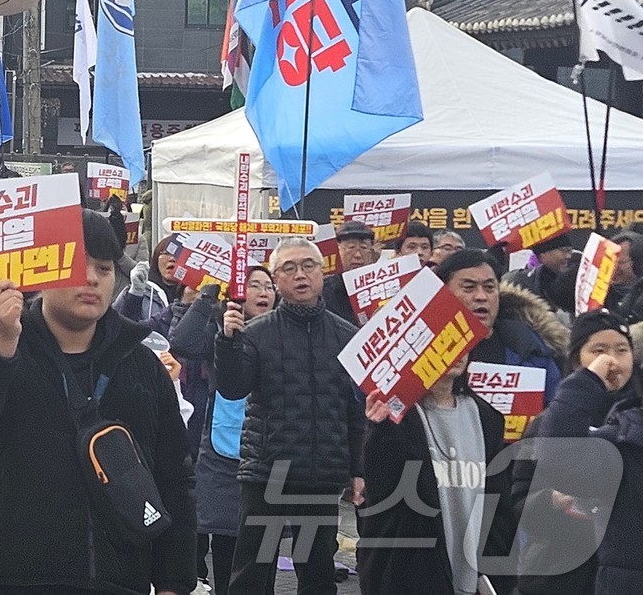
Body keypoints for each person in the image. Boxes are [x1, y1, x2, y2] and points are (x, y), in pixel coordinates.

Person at [0, 210, 197, 595]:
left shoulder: (142, 365)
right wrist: (1, 343)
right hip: (14, 577)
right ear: (41, 272)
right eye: (76, 265)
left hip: (120, 577)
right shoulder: (1, 347)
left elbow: (174, 477)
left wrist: (173, 581)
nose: (92, 279)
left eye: (104, 268)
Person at [214, 237, 364, 595]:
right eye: (289, 268)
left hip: (322, 471)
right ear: (276, 279)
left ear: (322, 273)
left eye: (308, 266)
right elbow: (232, 388)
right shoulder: (255, 333)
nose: (300, 275)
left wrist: (358, 469)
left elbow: (355, 411)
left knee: (318, 574)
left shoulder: (346, 335)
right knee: (252, 572)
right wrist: (228, 342)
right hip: (267, 470)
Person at [358, 350, 511, 595]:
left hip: (476, 575)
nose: (457, 352)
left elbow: (499, 502)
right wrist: (379, 430)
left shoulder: (487, 417)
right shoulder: (397, 416)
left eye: (463, 344)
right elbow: (382, 492)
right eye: (444, 343)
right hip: (414, 574)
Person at [514, 309, 637, 595]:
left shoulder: (635, 422)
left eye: (622, 350)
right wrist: (552, 501)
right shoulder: (549, 424)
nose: (611, 360)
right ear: (576, 359)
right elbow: (520, 503)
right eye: (599, 350)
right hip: (559, 575)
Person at [172, 267, 276, 595]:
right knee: (227, 549)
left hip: (271, 454)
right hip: (223, 451)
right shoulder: (221, 329)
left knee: (263, 556)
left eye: (269, 286)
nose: (263, 292)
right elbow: (182, 342)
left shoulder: (282, 331)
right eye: (254, 285)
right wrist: (209, 293)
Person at [436, 249, 566, 404]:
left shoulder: (529, 347)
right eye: (469, 288)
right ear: (444, 292)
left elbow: (555, 407)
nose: (481, 297)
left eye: (489, 288)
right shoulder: (423, 350)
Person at [322, 219, 377, 324]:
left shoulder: (380, 285)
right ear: (338, 250)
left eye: (364, 248)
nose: (358, 255)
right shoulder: (324, 290)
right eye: (351, 247)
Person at [504, 233, 576, 314]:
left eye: (570, 251)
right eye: (563, 250)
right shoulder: (518, 282)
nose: (568, 256)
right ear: (543, 254)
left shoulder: (570, 281)